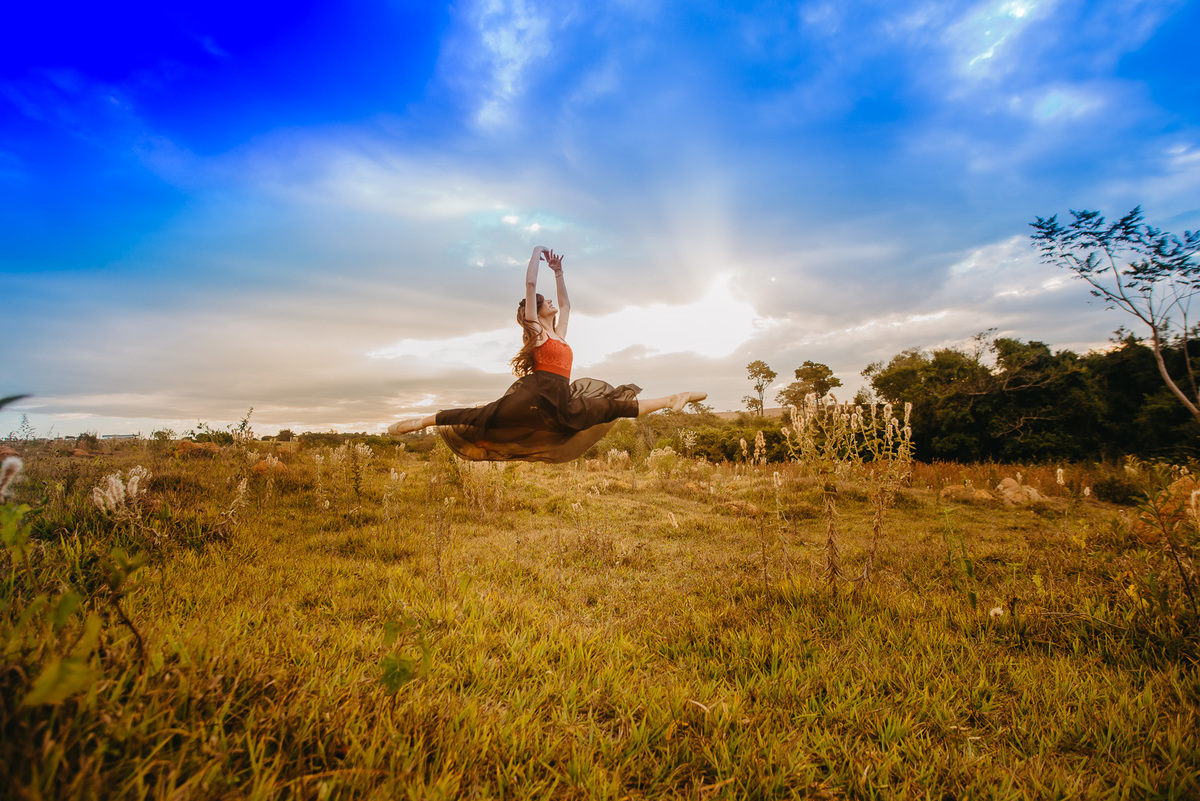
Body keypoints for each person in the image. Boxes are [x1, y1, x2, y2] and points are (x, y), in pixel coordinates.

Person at [387, 246, 707, 462]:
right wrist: (537, 250)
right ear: (536, 311)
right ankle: (420, 422)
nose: (552, 304)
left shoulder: (559, 333)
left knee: (611, 406)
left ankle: (672, 398)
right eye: (546, 302)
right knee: (482, 416)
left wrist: (558, 272)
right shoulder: (537, 331)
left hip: (561, 399)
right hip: (535, 394)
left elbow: (567, 305)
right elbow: (528, 282)